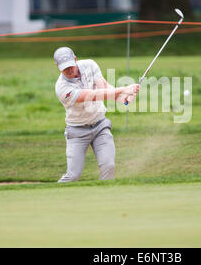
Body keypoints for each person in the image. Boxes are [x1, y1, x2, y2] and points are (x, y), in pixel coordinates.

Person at [54, 47, 139, 182]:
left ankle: (105, 199)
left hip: (100, 126)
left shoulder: (90, 65)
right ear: (57, 67)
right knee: (73, 175)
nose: (69, 70)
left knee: (109, 166)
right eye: (65, 68)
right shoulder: (62, 88)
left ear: (75, 59)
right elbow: (92, 95)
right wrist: (124, 89)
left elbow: (104, 89)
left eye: (71, 65)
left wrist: (122, 98)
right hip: (77, 131)